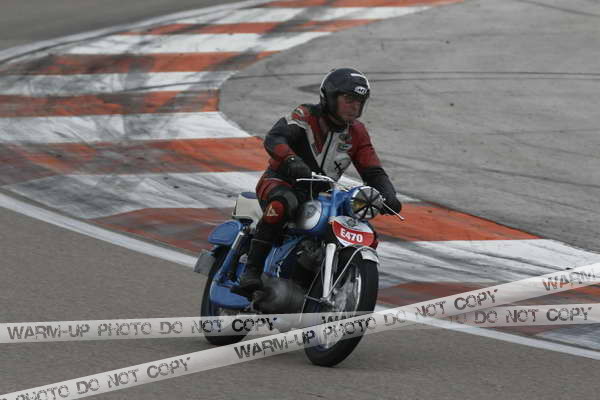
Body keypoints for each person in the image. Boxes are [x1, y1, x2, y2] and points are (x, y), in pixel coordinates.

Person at [233, 67, 402, 298]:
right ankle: (251, 271)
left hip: (321, 195)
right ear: (330, 97)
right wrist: (291, 160)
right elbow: (275, 137)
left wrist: (388, 194)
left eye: (359, 101)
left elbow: (372, 170)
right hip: (281, 181)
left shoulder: (357, 132)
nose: (354, 106)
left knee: (357, 223)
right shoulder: (306, 115)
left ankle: (315, 280)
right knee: (283, 203)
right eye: (348, 99)